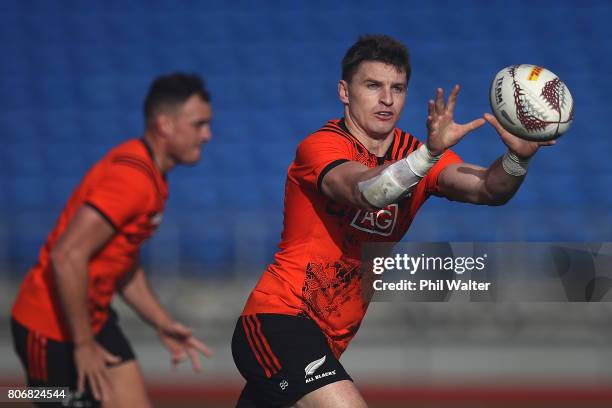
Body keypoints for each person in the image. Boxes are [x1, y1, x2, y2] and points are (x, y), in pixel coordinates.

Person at [231, 35, 555, 407]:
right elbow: (366, 192)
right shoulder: (321, 146)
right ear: (344, 91)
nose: (387, 99)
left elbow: (488, 189)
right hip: (278, 320)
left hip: (329, 339)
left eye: (397, 88)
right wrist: (429, 155)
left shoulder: (415, 155)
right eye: (373, 85)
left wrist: (518, 159)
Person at [11, 72, 213, 408]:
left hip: (94, 321)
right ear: (164, 124)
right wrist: (83, 345)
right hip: (50, 330)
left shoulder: (152, 176)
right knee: (41, 398)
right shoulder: (132, 178)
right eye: (198, 124)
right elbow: (67, 256)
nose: (207, 135)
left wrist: (161, 322)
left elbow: (122, 262)